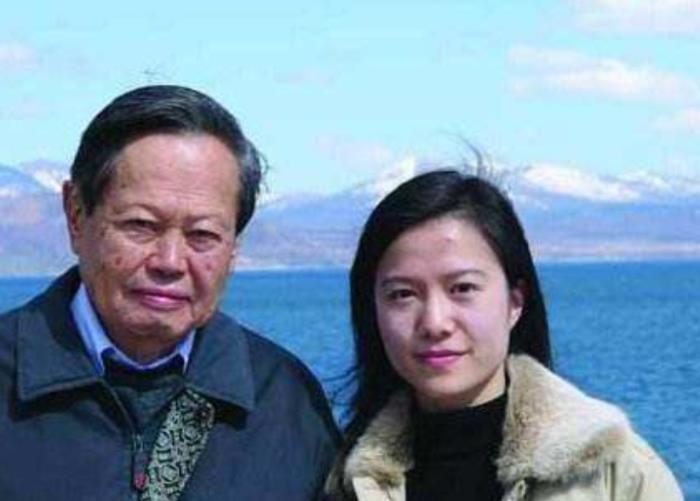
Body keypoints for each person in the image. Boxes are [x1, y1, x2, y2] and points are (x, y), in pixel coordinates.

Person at [0, 85, 338, 500]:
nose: (170, 262)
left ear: (234, 246)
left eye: (202, 235)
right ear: (76, 215)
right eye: (141, 226)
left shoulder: (286, 401)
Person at [325, 168, 682, 500]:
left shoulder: (612, 470)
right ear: (372, 310)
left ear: (515, 301)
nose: (435, 322)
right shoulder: (348, 482)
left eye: (462, 288)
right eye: (403, 294)